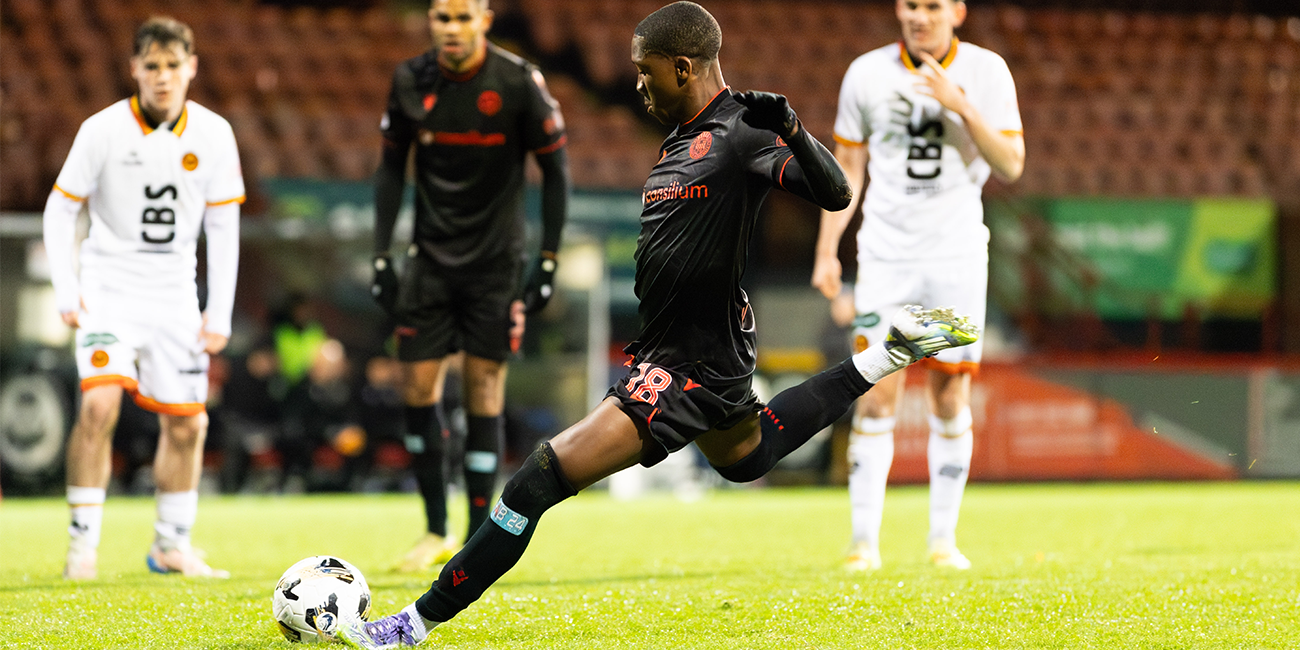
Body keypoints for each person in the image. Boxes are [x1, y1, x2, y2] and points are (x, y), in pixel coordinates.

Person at [336, 3, 979, 646]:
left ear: (681, 67)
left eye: (645, 73)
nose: (638, 85)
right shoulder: (679, 138)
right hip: (688, 349)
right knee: (747, 458)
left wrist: (792, 128)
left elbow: (837, 192)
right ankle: (885, 355)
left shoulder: (742, 132)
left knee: (534, 481)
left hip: (686, 364)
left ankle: (408, 626)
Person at [809, 0, 1025, 571]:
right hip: (885, 257)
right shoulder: (867, 72)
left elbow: (1011, 163)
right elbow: (847, 169)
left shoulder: (986, 71)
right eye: (910, 5)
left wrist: (962, 108)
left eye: (932, 5)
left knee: (950, 393)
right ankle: (863, 543)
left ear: (957, 10)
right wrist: (829, 247)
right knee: (875, 389)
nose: (919, 16)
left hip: (954, 257)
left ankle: (942, 541)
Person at [370, 0, 571, 573]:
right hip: (429, 261)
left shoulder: (517, 81)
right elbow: (390, 168)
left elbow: (555, 169)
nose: (451, 28)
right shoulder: (410, 80)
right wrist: (382, 253)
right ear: (429, 22)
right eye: (441, 17)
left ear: (484, 18)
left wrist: (549, 257)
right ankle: (433, 528)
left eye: (462, 17)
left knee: (484, 389)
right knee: (418, 388)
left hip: (494, 265)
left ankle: (473, 531)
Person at [43, 16, 243, 579]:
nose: (162, 77)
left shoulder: (214, 134)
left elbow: (224, 227)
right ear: (134, 68)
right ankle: (82, 546)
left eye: (173, 66)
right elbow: (61, 208)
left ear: (192, 69)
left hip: (175, 297)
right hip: (109, 292)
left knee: (188, 425)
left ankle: (170, 545)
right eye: (151, 66)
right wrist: (67, 286)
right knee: (99, 405)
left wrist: (218, 310)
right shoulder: (101, 130)